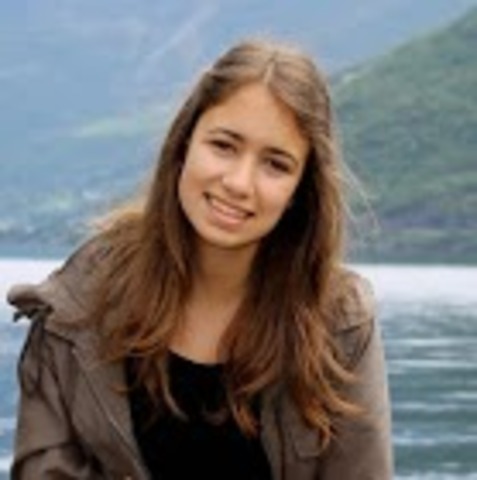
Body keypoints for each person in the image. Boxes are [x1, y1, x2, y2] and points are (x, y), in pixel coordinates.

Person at [7, 38, 393, 479]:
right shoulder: (81, 301)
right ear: (185, 144)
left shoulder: (340, 321)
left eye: (276, 164)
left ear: (299, 190)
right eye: (224, 145)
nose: (239, 183)